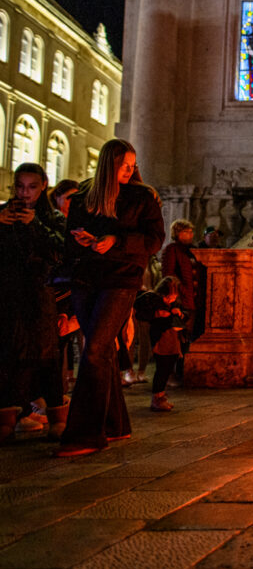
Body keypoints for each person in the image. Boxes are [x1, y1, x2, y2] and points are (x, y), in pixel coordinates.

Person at [58, 140, 165, 457]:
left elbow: (154, 239)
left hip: (121, 279)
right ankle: (115, 425)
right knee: (100, 352)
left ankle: (84, 433)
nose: (129, 170)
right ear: (108, 164)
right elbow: (69, 241)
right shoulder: (83, 198)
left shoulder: (142, 197)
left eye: (132, 165)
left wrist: (115, 241)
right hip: (86, 279)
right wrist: (85, 241)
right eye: (123, 165)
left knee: (95, 350)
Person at [0, 163, 66, 438]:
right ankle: (9, 414)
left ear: (43, 187)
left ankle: (55, 413)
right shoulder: (3, 215)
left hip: (41, 293)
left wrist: (35, 225)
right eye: (20, 186)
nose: (25, 193)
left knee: (46, 354)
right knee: (8, 354)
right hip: (8, 295)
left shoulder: (52, 218)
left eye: (32, 187)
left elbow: (61, 248)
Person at [133, 276, 188, 412]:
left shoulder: (173, 304)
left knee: (168, 367)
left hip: (172, 341)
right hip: (161, 340)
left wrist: (179, 314)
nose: (172, 299)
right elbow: (145, 316)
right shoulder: (155, 302)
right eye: (169, 296)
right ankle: (157, 397)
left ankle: (161, 395)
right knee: (162, 369)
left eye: (174, 296)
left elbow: (184, 316)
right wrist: (159, 314)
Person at [160, 219, 198, 383]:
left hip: (192, 300)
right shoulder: (172, 250)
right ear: (178, 233)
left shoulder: (191, 251)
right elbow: (169, 275)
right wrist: (179, 291)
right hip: (180, 299)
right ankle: (171, 373)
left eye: (191, 232)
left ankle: (181, 371)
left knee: (186, 337)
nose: (190, 235)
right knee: (176, 337)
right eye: (186, 232)